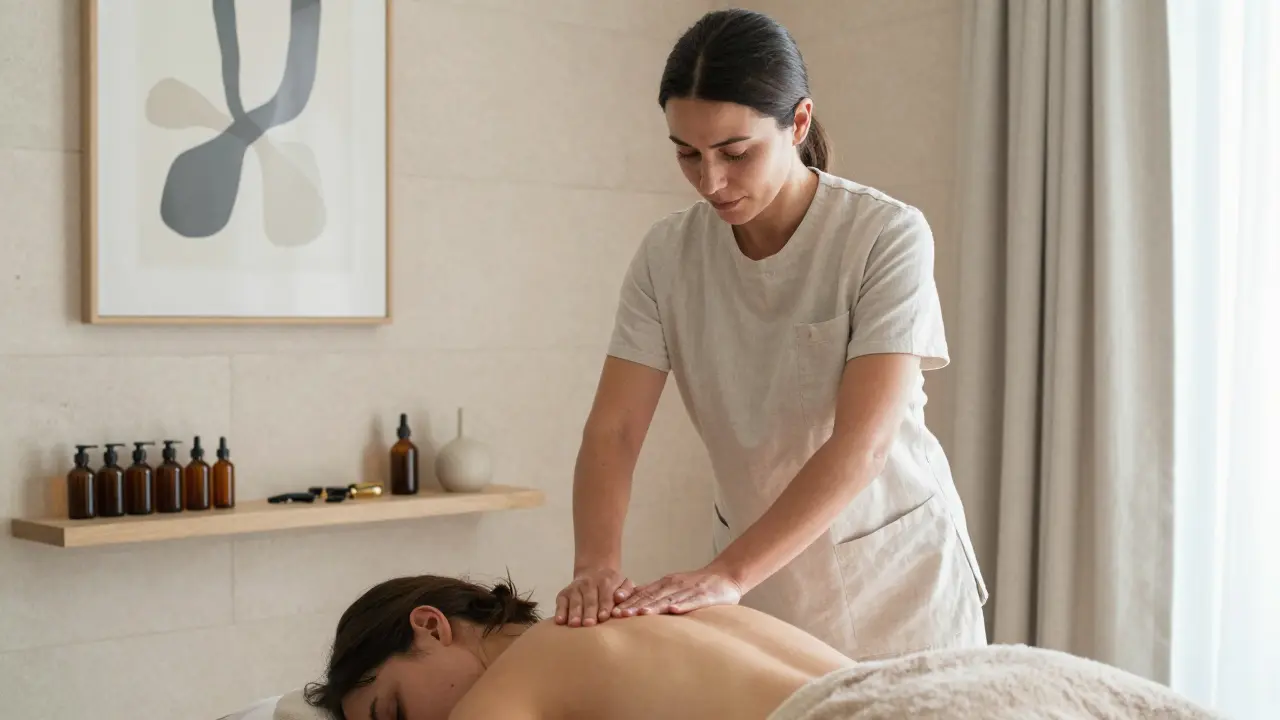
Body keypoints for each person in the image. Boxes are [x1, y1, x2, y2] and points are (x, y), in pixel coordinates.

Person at [554, 7, 989, 660]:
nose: (711, 181)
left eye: (735, 152)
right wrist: (596, 564)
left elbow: (863, 445)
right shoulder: (667, 255)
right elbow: (614, 431)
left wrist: (727, 573)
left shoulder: (884, 236)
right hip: (762, 590)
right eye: (687, 154)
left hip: (898, 586)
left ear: (799, 123)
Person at [303, 575, 1221, 720]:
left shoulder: (525, 675)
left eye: (391, 709)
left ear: (429, 625)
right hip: (985, 677)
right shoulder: (638, 605)